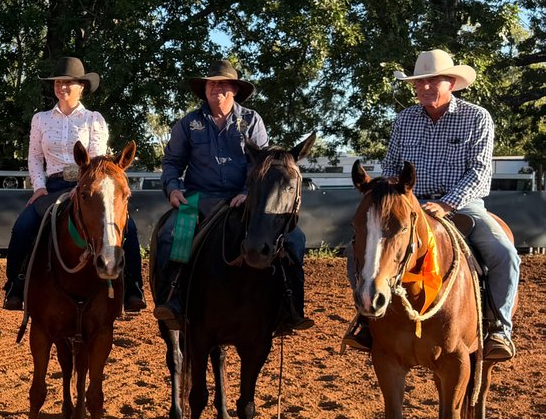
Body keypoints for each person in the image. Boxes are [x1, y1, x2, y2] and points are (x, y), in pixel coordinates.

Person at [345, 49, 520, 361]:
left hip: (463, 206)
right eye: (420, 82)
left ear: (450, 83)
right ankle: (368, 318)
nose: (425, 87)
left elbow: (480, 171)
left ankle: (498, 328)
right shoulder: (405, 119)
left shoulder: (477, 117)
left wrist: (446, 204)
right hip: (408, 205)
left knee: (503, 253)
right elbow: (391, 167)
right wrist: (387, 199)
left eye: (433, 81)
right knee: (356, 249)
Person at [154, 60, 311, 335]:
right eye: (211, 83)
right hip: (197, 197)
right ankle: (172, 298)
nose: (216, 87)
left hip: (244, 199)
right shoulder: (189, 124)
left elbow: (263, 164)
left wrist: (246, 193)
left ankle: (291, 307)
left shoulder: (252, 121)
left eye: (223, 83)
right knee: (170, 233)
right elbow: (172, 161)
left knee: (295, 239)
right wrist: (172, 188)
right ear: (204, 90)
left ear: (235, 90)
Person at [3, 55, 146, 312]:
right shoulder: (41, 119)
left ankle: (133, 287)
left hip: (89, 187)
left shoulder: (94, 119)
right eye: (59, 82)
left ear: (82, 87)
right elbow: (35, 157)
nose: (63, 87)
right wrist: (39, 187)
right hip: (52, 187)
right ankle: (15, 284)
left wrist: (82, 189)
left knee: (130, 229)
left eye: (69, 83)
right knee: (22, 227)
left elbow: (97, 162)